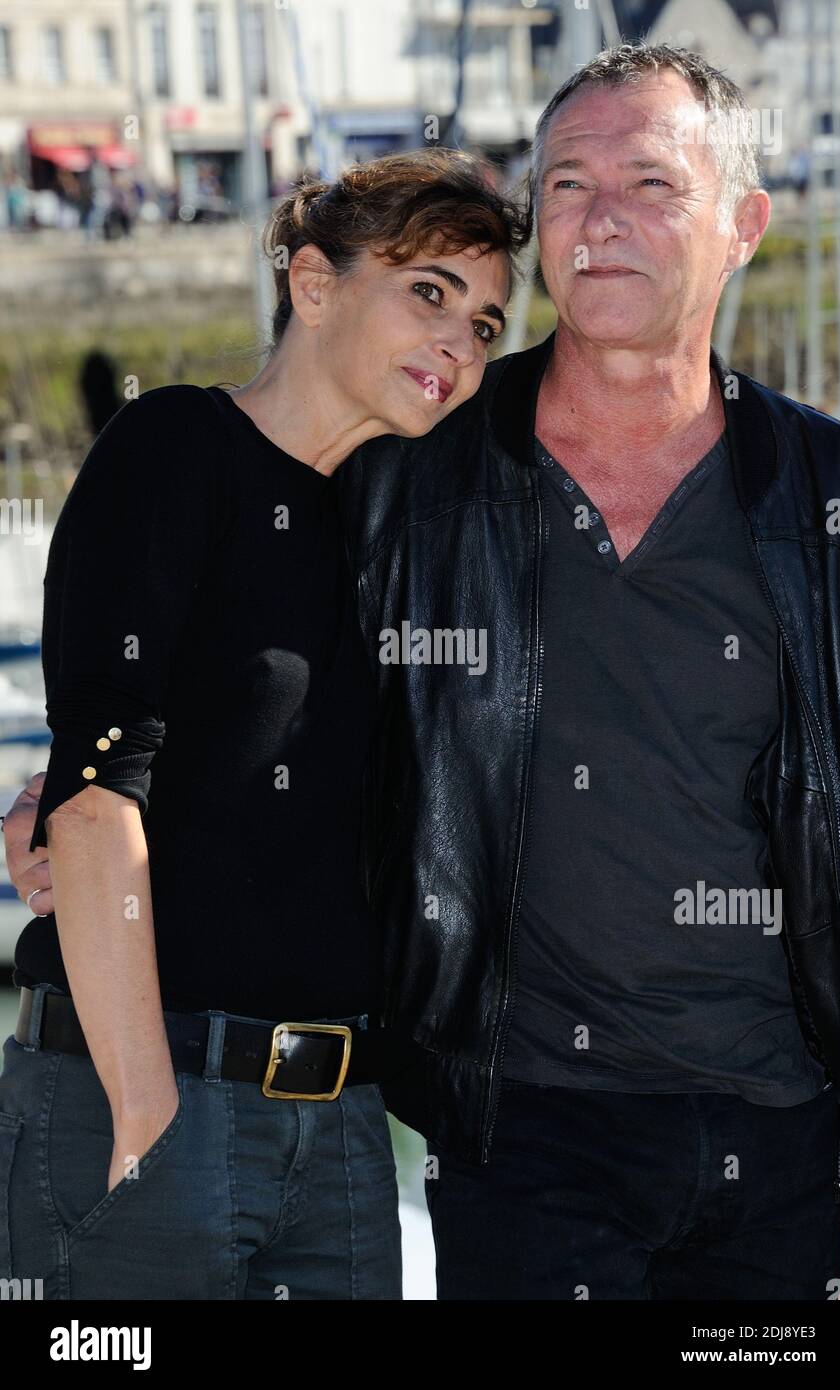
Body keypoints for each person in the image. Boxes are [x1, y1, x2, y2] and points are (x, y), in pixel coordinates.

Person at [330, 43, 840, 1300]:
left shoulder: (835, 501)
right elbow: (276, 707)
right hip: (524, 1137)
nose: (599, 217)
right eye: (565, 183)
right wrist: (110, 780)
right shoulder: (414, 478)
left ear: (741, 225)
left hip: (783, 1142)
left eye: (647, 181)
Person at [0, 147, 523, 1300]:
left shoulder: (400, 528)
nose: (458, 340)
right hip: (145, 1097)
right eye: (426, 292)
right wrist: (146, 1109)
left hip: (340, 1127)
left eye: (483, 324)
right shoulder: (174, 450)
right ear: (313, 284)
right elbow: (95, 797)